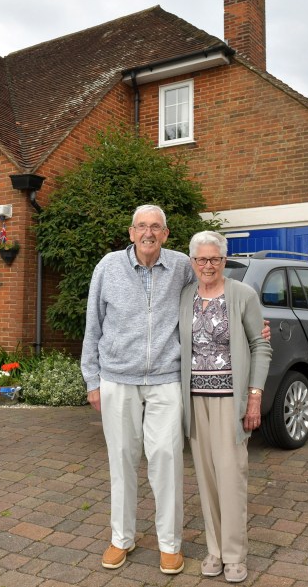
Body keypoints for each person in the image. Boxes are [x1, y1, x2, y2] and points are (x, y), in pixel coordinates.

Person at [81, 204, 193, 575]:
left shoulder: (181, 266)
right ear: (131, 233)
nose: (148, 233)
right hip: (117, 378)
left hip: (166, 377)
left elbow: (211, 295)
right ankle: (121, 538)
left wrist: (248, 321)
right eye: (142, 226)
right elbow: (92, 325)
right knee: (123, 460)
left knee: (166, 458)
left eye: (156, 227)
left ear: (166, 233)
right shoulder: (108, 266)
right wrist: (92, 380)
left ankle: (169, 544)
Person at [179, 230, 272, 583]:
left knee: (231, 477)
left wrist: (254, 396)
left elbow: (260, 346)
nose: (208, 265)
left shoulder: (242, 295)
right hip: (195, 400)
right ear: (192, 262)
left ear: (224, 261)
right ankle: (214, 550)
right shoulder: (186, 296)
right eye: (201, 259)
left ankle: (234, 555)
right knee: (206, 479)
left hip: (231, 401)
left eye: (214, 259)